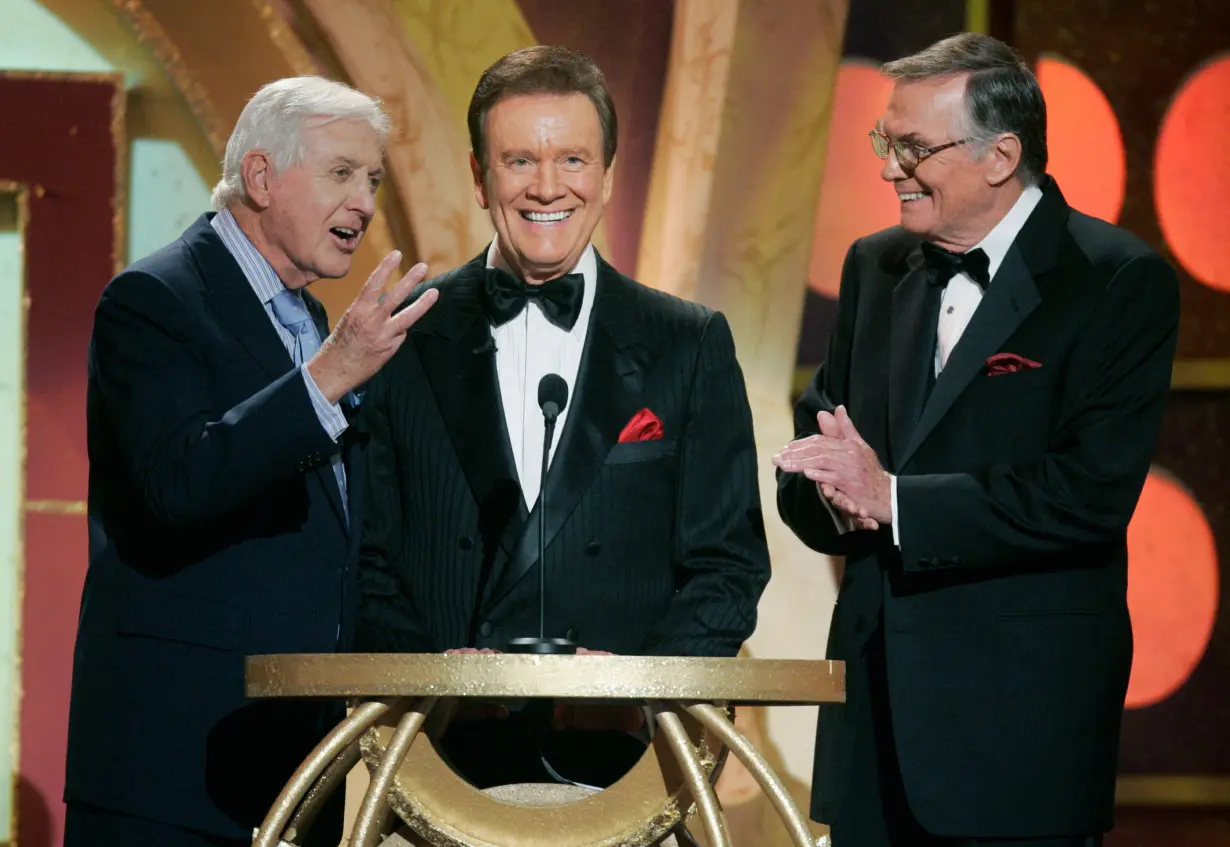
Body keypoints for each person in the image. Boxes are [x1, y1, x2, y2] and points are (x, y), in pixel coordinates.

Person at [774, 33, 1178, 847]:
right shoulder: (874, 267)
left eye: (914, 147)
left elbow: (1088, 493)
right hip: (876, 731)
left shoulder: (1112, 279)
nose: (889, 167)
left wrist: (893, 501)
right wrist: (826, 490)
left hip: (1018, 738)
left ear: (1001, 155)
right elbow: (821, 445)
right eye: (885, 142)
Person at [355, 45, 770, 790]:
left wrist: (638, 691)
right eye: (519, 161)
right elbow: (367, 559)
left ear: (608, 175)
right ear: (480, 178)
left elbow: (728, 566)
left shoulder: (689, 342)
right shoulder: (405, 337)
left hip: (624, 763)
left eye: (573, 159)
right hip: (442, 761)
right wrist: (432, 684)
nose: (548, 186)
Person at [64, 76, 438, 846]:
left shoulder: (313, 323)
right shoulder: (154, 301)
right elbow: (180, 482)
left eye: (371, 179)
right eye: (341, 173)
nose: (364, 203)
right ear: (262, 177)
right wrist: (330, 374)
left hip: (295, 775)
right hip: (171, 772)